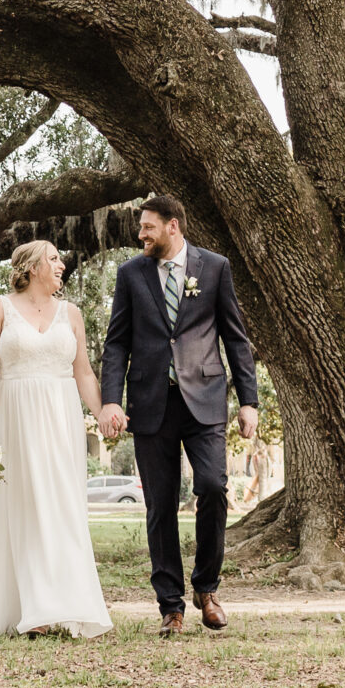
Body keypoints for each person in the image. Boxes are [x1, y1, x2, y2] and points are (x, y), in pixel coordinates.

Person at [98, 195, 259, 637]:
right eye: (141, 228)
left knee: (212, 486)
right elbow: (116, 343)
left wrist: (249, 401)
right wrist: (111, 398)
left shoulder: (215, 267)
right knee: (160, 506)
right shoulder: (131, 274)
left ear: (173, 227)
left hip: (204, 399)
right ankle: (171, 605)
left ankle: (206, 589)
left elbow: (235, 338)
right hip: (150, 403)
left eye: (148, 227)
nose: (141, 235)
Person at [0, 240, 112, 639]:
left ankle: (64, 603)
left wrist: (101, 414)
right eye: (54, 259)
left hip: (61, 417)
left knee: (61, 506)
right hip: (16, 414)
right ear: (31, 267)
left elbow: (83, 373)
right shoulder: (0, 307)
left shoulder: (72, 314)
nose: (62, 265)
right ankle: (34, 608)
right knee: (25, 506)